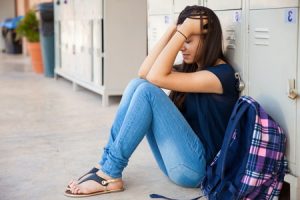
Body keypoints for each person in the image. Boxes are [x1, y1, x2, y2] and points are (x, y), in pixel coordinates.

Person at [65, 5, 239, 197]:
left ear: (208, 39)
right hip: (177, 164)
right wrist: (174, 29)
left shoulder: (221, 76)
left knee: (147, 91)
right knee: (136, 84)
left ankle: (111, 172)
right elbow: (144, 73)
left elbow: (155, 78)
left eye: (188, 40)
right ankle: (106, 163)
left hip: (197, 170)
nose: (182, 46)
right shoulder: (191, 69)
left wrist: (184, 29)